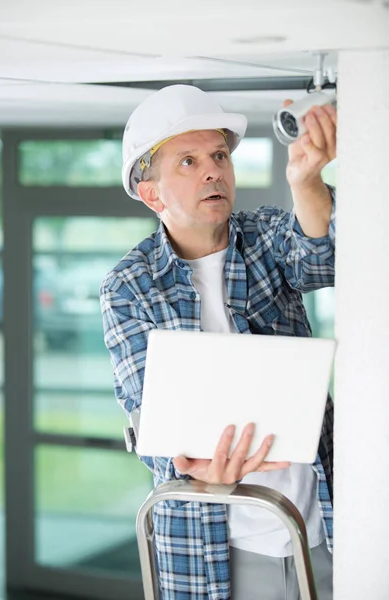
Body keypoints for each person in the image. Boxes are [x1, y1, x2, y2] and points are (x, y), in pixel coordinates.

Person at [100, 84, 336, 600]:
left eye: (219, 155)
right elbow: (150, 420)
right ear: (152, 194)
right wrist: (192, 464)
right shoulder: (129, 287)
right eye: (188, 160)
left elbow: (320, 257)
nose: (213, 170)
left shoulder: (265, 236)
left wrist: (305, 179)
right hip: (215, 549)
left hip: (321, 527)